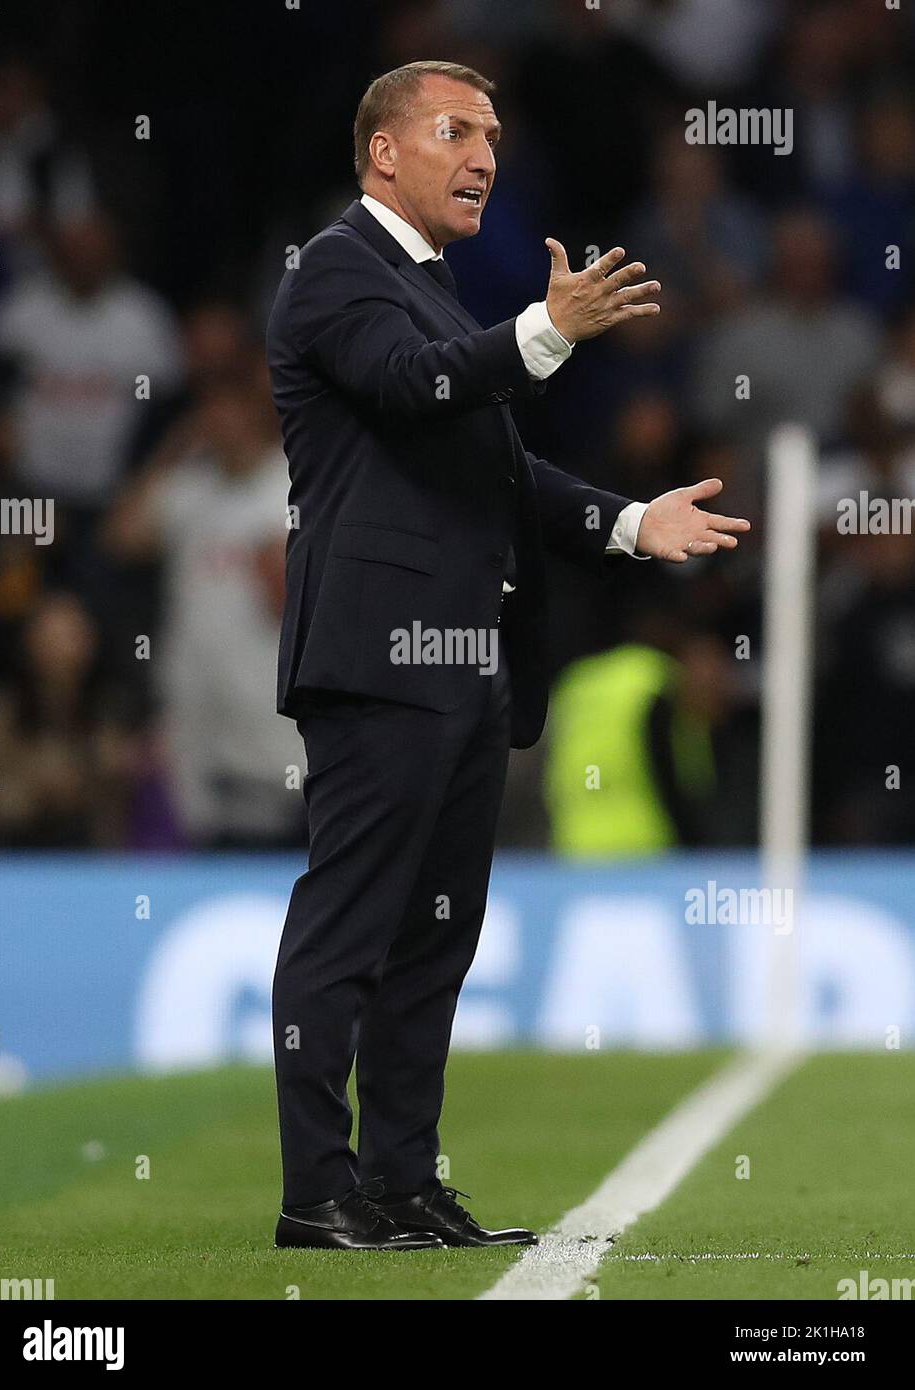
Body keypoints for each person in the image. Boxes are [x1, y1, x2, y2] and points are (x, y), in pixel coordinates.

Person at [266, 60, 749, 1252]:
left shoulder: (432, 289)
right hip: (381, 657)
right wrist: (546, 332)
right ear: (385, 151)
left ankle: (400, 1180)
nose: (485, 152)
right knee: (350, 928)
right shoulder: (338, 270)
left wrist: (632, 524)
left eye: (492, 132)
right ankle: (315, 1192)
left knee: (435, 939)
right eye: (456, 130)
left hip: (467, 664)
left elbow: (500, 471)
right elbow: (414, 387)